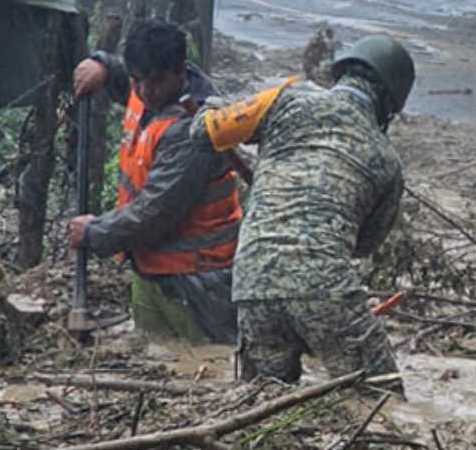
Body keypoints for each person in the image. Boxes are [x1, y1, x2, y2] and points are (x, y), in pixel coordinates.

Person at [190, 35, 414, 393]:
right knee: (379, 399)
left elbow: (203, 131)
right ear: (390, 101)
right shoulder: (387, 161)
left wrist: (211, 104)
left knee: (259, 405)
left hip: (251, 280)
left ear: (340, 74)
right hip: (326, 288)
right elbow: (364, 245)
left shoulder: (284, 99)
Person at [69, 20, 240, 344]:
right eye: (137, 81)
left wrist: (95, 232)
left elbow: (155, 212)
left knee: (207, 366)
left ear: (180, 71)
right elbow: (127, 78)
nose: (146, 92)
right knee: (156, 356)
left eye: (156, 81)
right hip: (153, 269)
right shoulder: (148, 90)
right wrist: (102, 65)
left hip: (198, 281)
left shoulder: (194, 128)